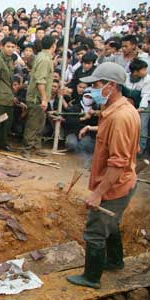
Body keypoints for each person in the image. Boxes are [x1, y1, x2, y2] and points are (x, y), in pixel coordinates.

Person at [67, 62, 141, 289]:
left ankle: (91, 277)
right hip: (124, 182)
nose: (94, 90)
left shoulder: (120, 118)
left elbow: (118, 163)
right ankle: (115, 261)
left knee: (95, 231)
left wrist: (98, 193)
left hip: (114, 186)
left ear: (111, 86)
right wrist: (92, 127)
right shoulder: (122, 110)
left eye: (97, 85)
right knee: (112, 224)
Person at [22, 35, 56, 157]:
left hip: (39, 97)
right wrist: (44, 99)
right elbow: (40, 82)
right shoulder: (44, 60)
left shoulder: (43, 57)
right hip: (37, 98)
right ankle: (27, 148)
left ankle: (36, 146)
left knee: (39, 123)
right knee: (33, 124)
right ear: (53, 46)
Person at [123, 59, 150, 157]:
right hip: (125, 102)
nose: (146, 71)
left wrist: (141, 108)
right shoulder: (125, 77)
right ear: (135, 72)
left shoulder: (147, 79)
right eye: (143, 69)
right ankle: (125, 146)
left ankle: (140, 149)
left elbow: (146, 95)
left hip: (142, 104)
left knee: (142, 124)